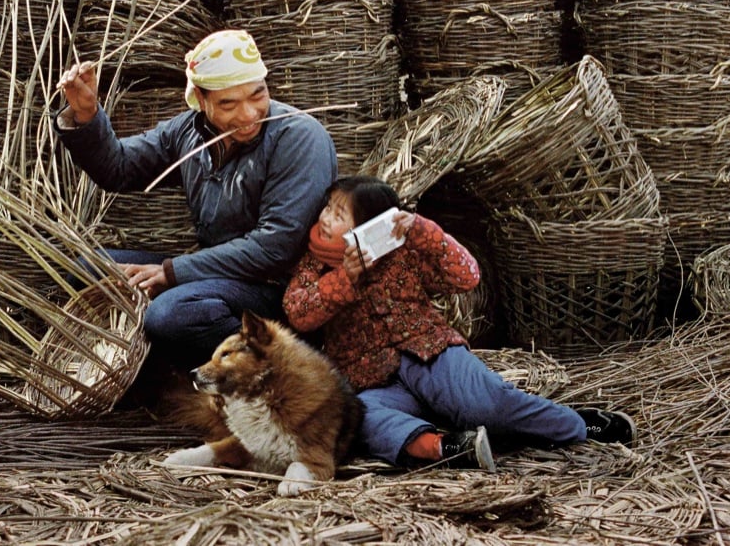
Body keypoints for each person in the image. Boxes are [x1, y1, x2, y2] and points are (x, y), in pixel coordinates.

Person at [282, 175, 637, 471]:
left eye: (339, 213)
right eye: (328, 207)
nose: (325, 217)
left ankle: (576, 425)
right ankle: (448, 448)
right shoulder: (314, 267)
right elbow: (298, 312)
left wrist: (426, 232)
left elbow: (466, 276)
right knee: (363, 418)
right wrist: (346, 278)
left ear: (367, 226)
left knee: (485, 404)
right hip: (372, 378)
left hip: (430, 353)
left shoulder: (403, 253)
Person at [55, 29, 337, 367]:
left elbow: (274, 247)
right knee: (87, 269)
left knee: (171, 315)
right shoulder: (188, 132)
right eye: (228, 104)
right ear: (200, 101)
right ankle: (161, 365)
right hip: (212, 276)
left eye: (257, 94)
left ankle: (276, 366)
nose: (248, 114)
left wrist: (174, 273)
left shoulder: (299, 137)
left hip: (279, 290)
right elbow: (118, 168)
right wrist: (88, 115)